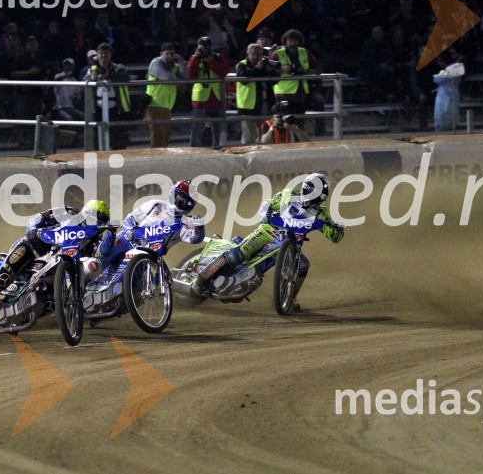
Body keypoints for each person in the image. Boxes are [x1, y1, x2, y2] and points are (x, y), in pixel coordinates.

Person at [191, 173, 345, 306]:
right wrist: (265, 215)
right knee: (237, 255)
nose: (311, 192)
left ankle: (289, 299)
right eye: (311, 187)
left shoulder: (321, 214)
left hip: (290, 246)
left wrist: (339, 228)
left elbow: (334, 236)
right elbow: (268, 204)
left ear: (322, 195)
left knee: (303, 265)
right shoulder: (288, 195)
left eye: (315, 190)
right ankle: (202, 278)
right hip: (268, 232)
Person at [0, 200, 112, 332]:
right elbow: (40, 217)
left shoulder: (93, 241)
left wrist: (111, 234)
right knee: (5, 276)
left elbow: (100, 255)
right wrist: (35, 231)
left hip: (56, 264)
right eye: (96, 220)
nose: (97, 225)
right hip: (33, 248)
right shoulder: (69, 212)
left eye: (101, 224)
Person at [92, 181, 204, 279]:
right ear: (172, 194)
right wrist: (130, 230)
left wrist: (199, 226)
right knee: (98, 262)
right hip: (126, 241)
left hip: (147, 255)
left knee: (138, 287)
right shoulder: (155, 205)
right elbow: (129, 219)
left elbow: (195, 238)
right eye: (178, 198)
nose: (179, 202)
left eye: (184, 201)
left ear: (190, 205)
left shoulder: (185, 223)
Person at [84, 43, 133, 149]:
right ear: (97, 55)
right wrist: (92, 79)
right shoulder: (92, 69)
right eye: (101, 53)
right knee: (98, 138)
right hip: (97, 108)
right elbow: (84, 83)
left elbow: (125, 78)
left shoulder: (118, 67)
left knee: (118, 138)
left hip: (116, 108)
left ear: (110, 55)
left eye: (106, 53)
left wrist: (109, 75)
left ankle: (119, 161)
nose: (103, 56)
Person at [270, 29, 322, 121]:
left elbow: (318, 66)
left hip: (301, 93)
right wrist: (281, 69)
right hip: (283, 93)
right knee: (284, 121)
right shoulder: (277, 53)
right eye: (290, 41)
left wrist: (311, 71)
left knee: (300, 120)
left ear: (299, 41)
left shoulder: (304, 52)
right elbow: (268, 69)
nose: (293, 43)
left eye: (295, 41)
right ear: (285, 41)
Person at [188, 36, 229, 148]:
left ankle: (218, 148)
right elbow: (191, 75)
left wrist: (211, 62)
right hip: (201, 97)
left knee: (218, 127)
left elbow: (224, 72)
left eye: (206, 47)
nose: (204, 50)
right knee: (197, 127)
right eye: (202, 48)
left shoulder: (217, 57)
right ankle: (194, 149)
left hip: (217, 96)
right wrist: (196, 58)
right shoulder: (194, 58)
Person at [145, 42, 188, 148]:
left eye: (172, 54)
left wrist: (182, 62)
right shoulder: (156, 63)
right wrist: (180, 83)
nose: (169, 56)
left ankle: (163, 159)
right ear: (161, 54)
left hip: (167, 105)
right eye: (167, 53)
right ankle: (154, 160)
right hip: (155, 104)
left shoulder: (174, 66)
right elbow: (168, 78)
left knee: (165, 137)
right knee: (157, 137)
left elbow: (185, 77)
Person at [235, 43, 278, 145]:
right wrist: (257, 68)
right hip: (248, 105)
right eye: (253, 54)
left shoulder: (265, 64)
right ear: (248, 53)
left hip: (265, 103)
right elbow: (243, 79)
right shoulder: (242, 64)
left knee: (265, 135)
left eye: (258, 54)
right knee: (249, 137)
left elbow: (276, 79)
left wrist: (269, 68)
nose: (255, 56)